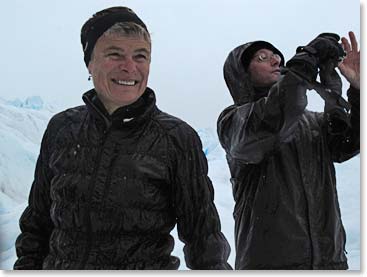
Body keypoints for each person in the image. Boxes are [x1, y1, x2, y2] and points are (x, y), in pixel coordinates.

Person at [14, 6, 232, 270]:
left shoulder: (176, 138)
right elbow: (37, 225)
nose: (130, 67)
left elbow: (204, 240)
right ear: (89, 63)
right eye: (115, 54)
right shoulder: (62, 128)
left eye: (140, 56)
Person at [217, 32, 359, 269]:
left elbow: (348, 143)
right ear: (242, 74)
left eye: (277, 57)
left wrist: (356, 90)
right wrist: (306, 60)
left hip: (329, 264)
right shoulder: (234, 122)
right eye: (263, 57)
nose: (276, 62)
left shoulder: (312, 122)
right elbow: (275, 116)